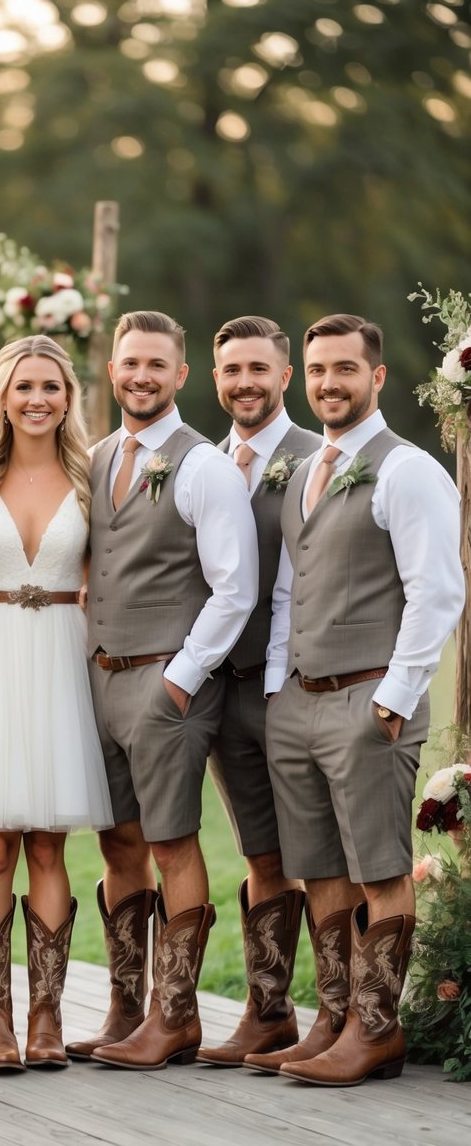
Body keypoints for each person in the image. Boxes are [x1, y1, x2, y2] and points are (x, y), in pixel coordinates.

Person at [252, 312, 464, 1086]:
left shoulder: (407, 470)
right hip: (299, 702)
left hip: (368, 701)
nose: (327, 384)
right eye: (315, 371)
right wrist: (277, 688)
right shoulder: (308, 468)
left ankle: (376, 1030)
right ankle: (333, 1018)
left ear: (375, 377)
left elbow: (436, 590)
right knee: (319, 869)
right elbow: (286, 590)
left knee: (378, 869)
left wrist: (394, 697)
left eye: (344, 369)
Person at [66, 310, 259, 1071]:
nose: (140, 375)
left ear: (180, 376)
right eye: (128, 363)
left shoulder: (201, 465)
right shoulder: (100, 454)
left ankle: (173, 1016)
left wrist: (179, 682)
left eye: (156, 364)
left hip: (166, 685)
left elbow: (234, 588)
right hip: (99, 679)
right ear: (111, 371)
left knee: (170, 841)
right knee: (116, 842)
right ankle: (124, 1007)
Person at [0, 334, 113, 1072]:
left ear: (68, 397)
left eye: (51, 385)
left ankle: (46, 1017)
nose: (37, 398)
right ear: (3, 396)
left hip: (57, 659)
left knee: (48, 843)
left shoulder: (92, 477)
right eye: (23, 386)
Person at [197, 316, 321, 1067]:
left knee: (326, 855)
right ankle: (267, 1013)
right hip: (223, 691)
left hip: (298, 690)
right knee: (261, 855)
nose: (243, 382)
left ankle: (346, 1019)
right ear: (215, 379)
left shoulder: (319, 459)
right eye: (230, 369)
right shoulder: (201, 463)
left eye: (257, 369)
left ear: (284, 377)